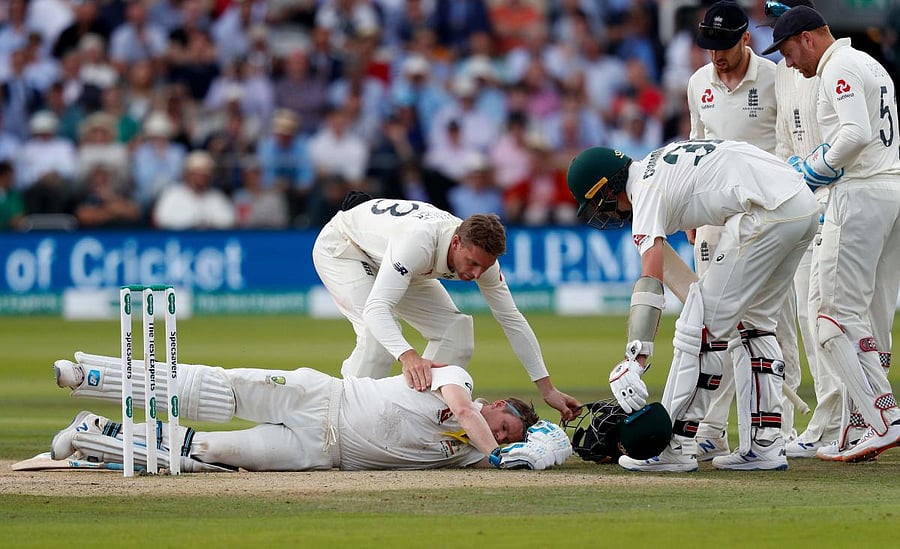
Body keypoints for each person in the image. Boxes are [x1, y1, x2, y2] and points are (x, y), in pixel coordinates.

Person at [566, 140, 818, 471]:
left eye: (599, 203)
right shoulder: (658, 164)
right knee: (756, 326)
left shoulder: (644, 191)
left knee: (698, 330)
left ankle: (675, 446)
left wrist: (636, 357)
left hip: (765, 212)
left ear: (608, 187)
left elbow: (651, 276)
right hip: (802, 205)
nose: (603, 212)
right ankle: (764, 445)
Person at [763, 6, 900, 463]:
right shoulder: (870, 62)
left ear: (807, 38)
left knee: (829, 317)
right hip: (890, 191)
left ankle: (882, 415)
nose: (790, 64)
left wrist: (813, 171)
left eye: (788, 51)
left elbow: (856, 134)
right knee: (870, 315)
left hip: (858, 194)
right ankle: (853, 427)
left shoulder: (837, 67)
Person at [49, 352, 571, 471]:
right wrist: (496, 449)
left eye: (504, 437)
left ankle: (97, 433)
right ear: (497, 407)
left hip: (321, 453)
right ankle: (92, 378)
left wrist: (541, 441)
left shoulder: (471, 458)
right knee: (214, 391)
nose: (499, 438)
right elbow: (465, 412)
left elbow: (544, 451)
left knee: (208, 452)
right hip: (320, 398)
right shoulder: (459, 381)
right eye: (502, 426)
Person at [312, 198, 581, 422]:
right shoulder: (418, 242)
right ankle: (341, 422)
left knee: (456, 330)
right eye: (472, 263)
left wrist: (548, 390)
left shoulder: (483, 262)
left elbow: (512, 321)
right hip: (345, 247)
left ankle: (416, 417)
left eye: (483, 268)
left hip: (399, 260)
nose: (476, 274)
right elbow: (376, 309)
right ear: (456, 243)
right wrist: (408, 356)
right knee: (378, 339)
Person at [685, 0, 802, 462]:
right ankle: (712, 428)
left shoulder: (776, 78)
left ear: (747, 38)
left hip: (770, 218)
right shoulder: (699, 83)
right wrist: (693, 214)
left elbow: (793, 141)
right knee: (715, 325)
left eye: (725, 47)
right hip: (717, 218)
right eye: (709, 48)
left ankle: (780, 431)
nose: (717, 57)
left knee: (773, 325)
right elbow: (696, 147)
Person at [760, 0, 843, 460]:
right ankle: (833, 418)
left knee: (832, 314)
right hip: (803, 204)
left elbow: (846, 138)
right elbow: (783, 141)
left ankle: (846, 416)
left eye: (784, 29)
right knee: (812, 318)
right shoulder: (784, 71)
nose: (782, 47)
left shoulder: (830, 67)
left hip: (839, 199)